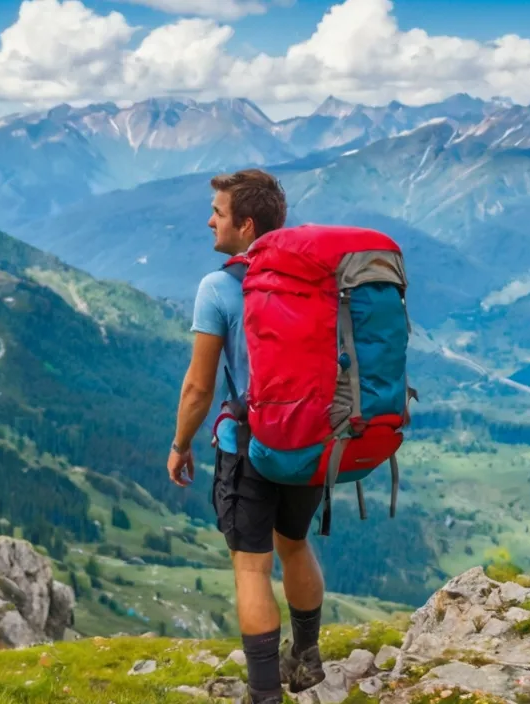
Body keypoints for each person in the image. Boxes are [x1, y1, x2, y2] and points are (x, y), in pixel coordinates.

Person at [167, 168, 327, 703]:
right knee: (296, 545)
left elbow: (198, 388)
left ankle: (264, 695)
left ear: (246, 224)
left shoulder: (218, 286)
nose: (209, 220)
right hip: (311, 440)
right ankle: (305, 658)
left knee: (253, 568)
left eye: (218, 212)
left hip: (251, 449)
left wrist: (180, 443)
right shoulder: (318, 275)